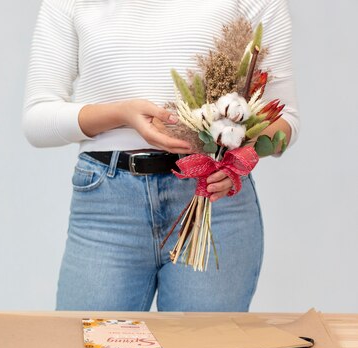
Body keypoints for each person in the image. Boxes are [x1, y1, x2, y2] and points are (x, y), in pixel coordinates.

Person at [22, 0, 299, 312]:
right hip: (107, 208)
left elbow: (284, 119)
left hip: (211, 201)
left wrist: (237, 159)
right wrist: (121, 114)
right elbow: (37, 119)